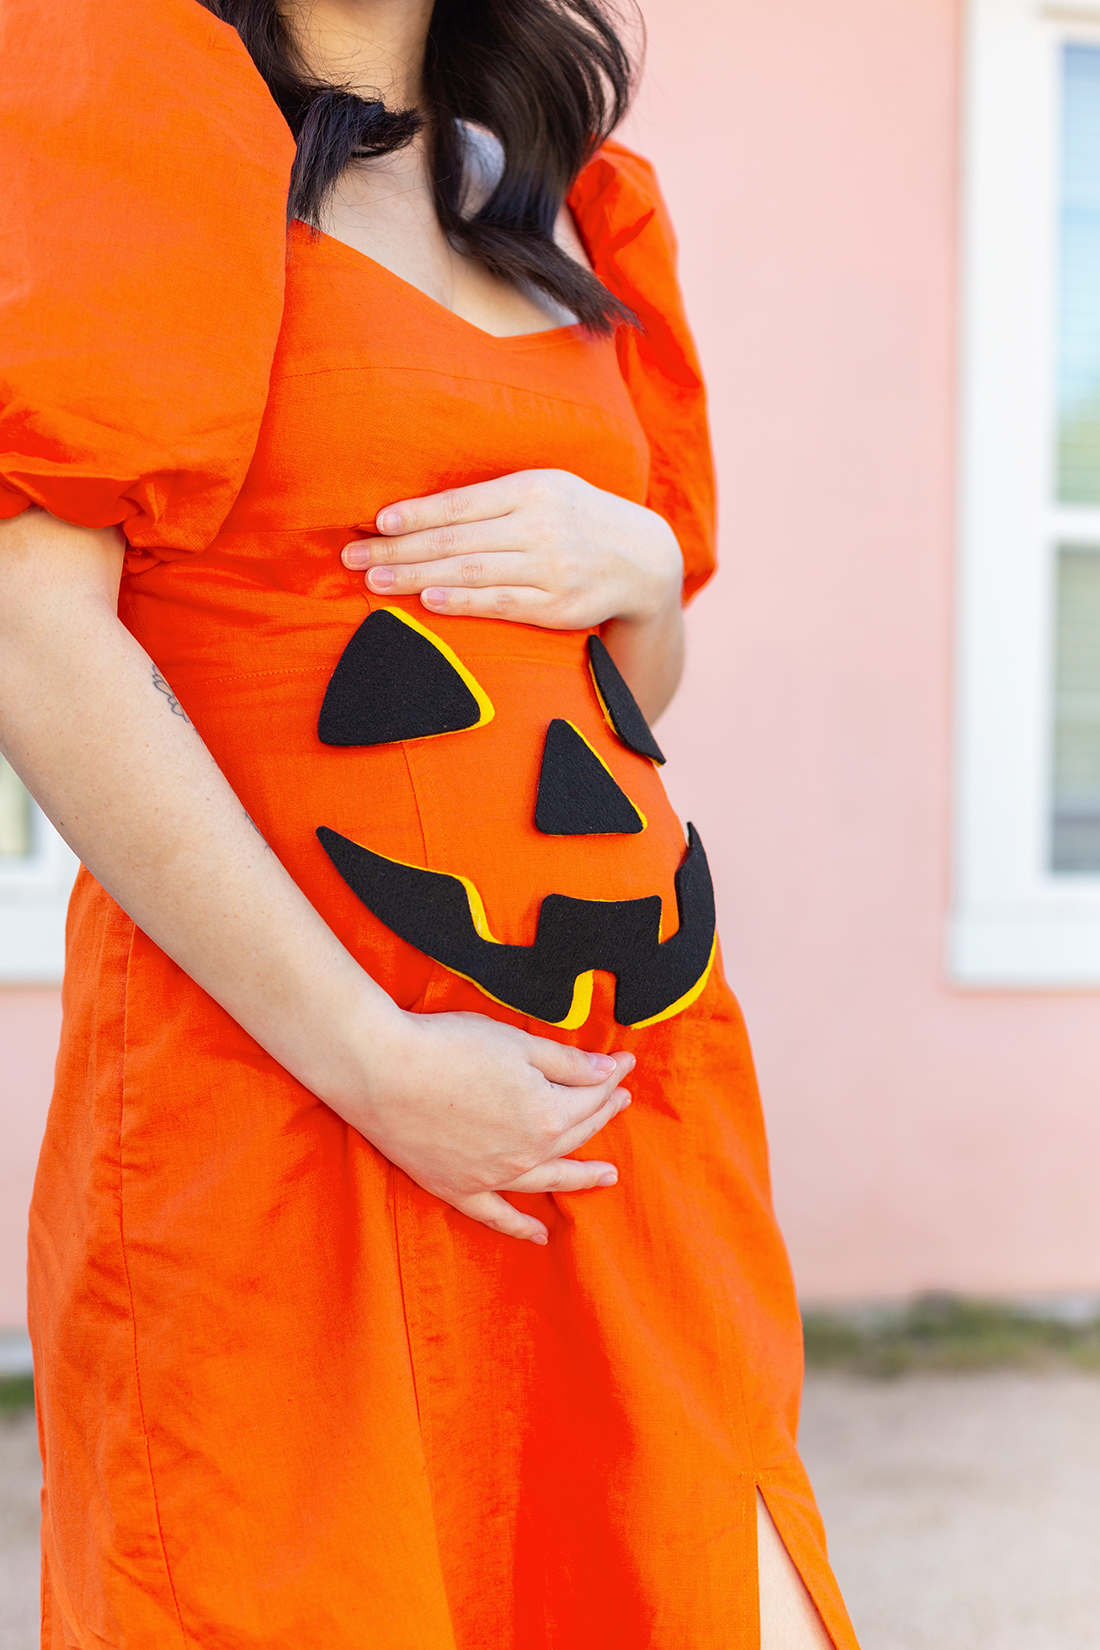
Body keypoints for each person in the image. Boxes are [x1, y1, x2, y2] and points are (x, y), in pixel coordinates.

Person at [0, 0, 860, 1644]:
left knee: (693, 1582)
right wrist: (376, 1059)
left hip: (610, 1083)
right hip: (281, 1088)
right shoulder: (128, 109)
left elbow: (608, 704)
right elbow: (33, 634)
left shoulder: (567, 195)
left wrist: (640, 570)